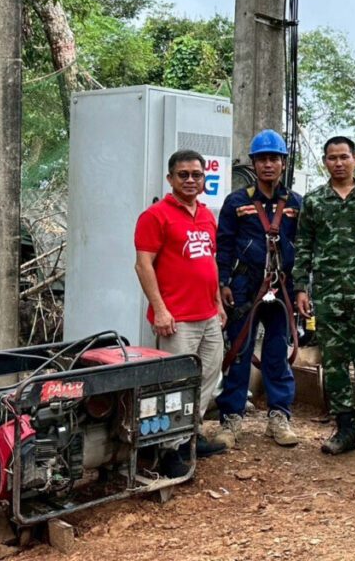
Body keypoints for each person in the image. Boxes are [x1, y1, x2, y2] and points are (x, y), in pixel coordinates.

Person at [292, 136, 355, 459]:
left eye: (344, 157)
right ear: (325, 162)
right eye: (332, 158)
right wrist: (300, 288)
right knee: (334, 363)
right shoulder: (314, 201)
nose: (338, 163)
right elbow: (304, 246)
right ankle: (345, 429)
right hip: (328, 294)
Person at [134, 149, 228, 478]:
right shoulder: (155, 216)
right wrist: (160, 309)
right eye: (183, 174)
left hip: (207, 316)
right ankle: (168, 449)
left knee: (207, 378)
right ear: (170, 178)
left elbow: (210, 262)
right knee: (173, 386)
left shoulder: (206, 215)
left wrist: (217, 303)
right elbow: (143, 264)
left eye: (196, 175)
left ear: (204, 179)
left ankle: (190, 434)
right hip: (176, 320)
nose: (190, 180)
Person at [213, 130, 301, 449]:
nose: (268, 165)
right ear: (253, 163)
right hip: (244, 286)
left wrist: (302, 289)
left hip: (281, 288)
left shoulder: (294, 203)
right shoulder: (236, 202)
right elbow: (223, 245)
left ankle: (279, 416)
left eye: (273, 159)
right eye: (262, 159)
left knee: (277, 352)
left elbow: (304, 249)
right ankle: (231, 419)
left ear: (282, 163)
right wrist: (223, 282)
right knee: (239, 352)